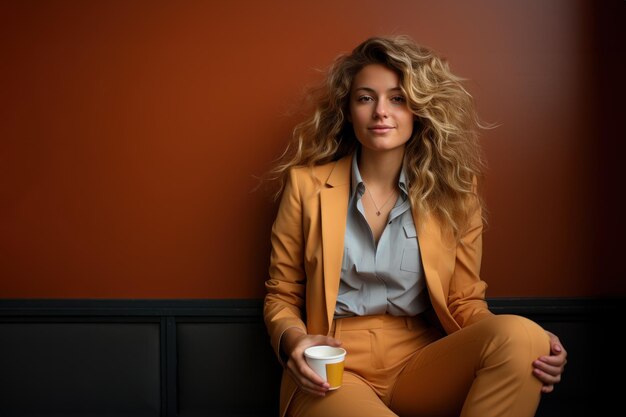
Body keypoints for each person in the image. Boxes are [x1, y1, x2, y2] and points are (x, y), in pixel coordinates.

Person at [263, 35, 567, 417]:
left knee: (525, 336)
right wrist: (294, 340)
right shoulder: (305, 186)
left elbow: (464, 300)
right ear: (348, 109)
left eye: (398, 98)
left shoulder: (455, 192)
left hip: (421, 361)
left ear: (420, 109)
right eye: (365, 98)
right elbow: (282, 294)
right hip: (333, 365)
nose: (380, 112)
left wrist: (534, 345)